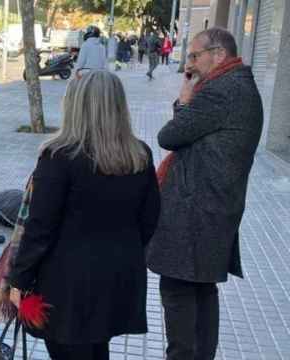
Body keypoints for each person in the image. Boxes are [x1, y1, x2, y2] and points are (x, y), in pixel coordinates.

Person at [8, 71, 161, 360]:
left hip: (67, 285)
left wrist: (18, 279)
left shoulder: (59, 157)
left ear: (75, 106)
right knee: (97, 349)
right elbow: (150, 218)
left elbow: (40, 228)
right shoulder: (139, 155)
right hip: (119, 277)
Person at [147, 28, 263, 360]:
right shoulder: (240, 86)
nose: (190, 64)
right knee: (200, 291)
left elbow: (170, 136)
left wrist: (184, 98)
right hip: (214, 209)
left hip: (194, 213)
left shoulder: (219, 91)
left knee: (178, 290)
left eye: (195, 56)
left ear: (219, 54)